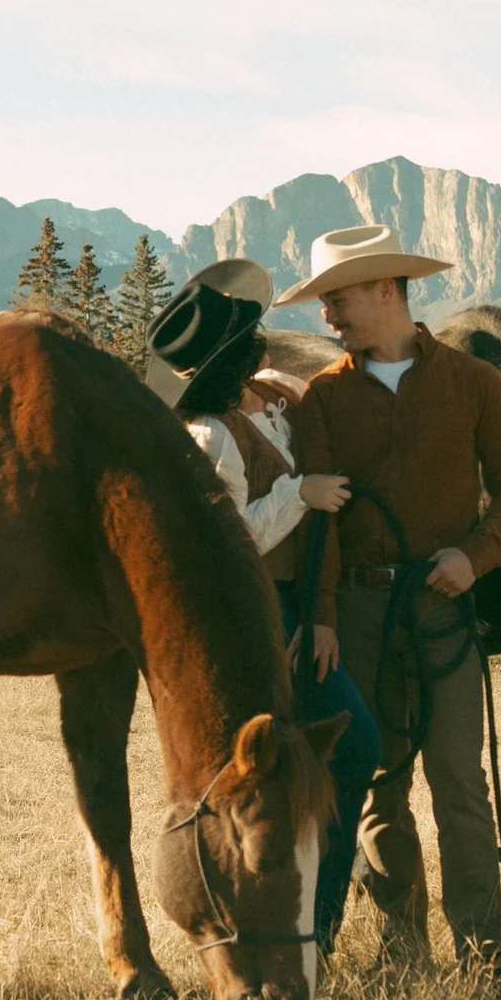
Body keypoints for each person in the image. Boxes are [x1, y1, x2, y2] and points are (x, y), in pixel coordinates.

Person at [276, 224, 501, 974]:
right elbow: (320, 518)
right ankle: (404, 954)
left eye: (338, 298)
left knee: (459, 778)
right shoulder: (322, 399)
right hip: (357, 615)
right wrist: (322, 616)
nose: (327, 316)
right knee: (377, 787)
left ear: (386, 289)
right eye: (325, 301)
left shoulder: (474, 385)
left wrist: (477, 556)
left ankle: (484, 955)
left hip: (445, 606)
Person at [145, 260, 384, 951]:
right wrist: (300, 494)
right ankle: (313, 917)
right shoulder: (211, 435)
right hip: (257, 614)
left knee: (337, 751)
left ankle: (319, 913)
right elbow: (234, 535)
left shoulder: (261, 406)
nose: (263, 338)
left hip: (293, 606)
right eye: (250, 335)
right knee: (349, 745)